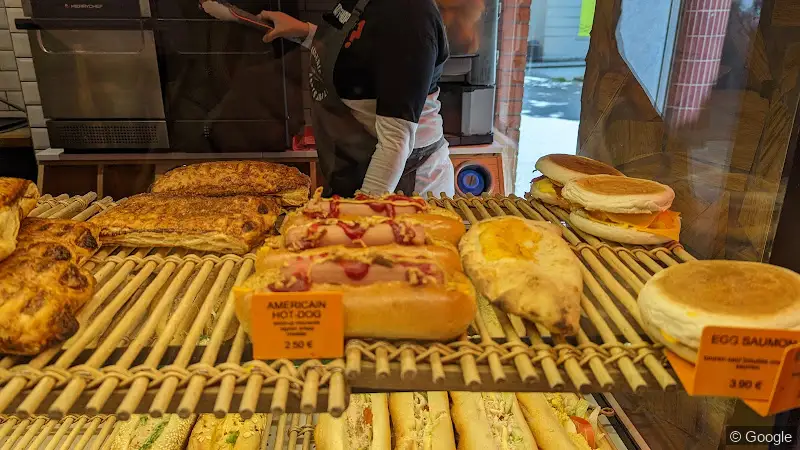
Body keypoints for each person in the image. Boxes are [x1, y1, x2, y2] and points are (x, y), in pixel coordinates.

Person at [259, 0, 455, 197]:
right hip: (358, 167)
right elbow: (356, 50)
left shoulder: (409, 16)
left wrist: (363, 211)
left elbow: (395, 142)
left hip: (403, 183)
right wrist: (304, 32)